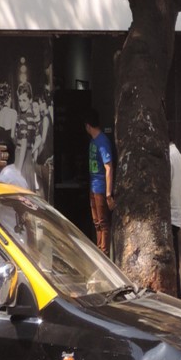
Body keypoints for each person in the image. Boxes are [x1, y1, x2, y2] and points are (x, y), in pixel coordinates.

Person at [84, 109, 114, 256]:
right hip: (93, 186)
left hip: (101, 188)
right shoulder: (93, 142)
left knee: (103, 222)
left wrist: (108, 194)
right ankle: (99, 251)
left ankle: (104, 253)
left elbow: (109, 167)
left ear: (88, 125)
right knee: (97, 222)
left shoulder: (102, 142)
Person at [169, 141, 181, 297]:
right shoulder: (177, 154)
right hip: (175, 213)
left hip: (171, 214)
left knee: (171, 263)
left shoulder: (169, 156)